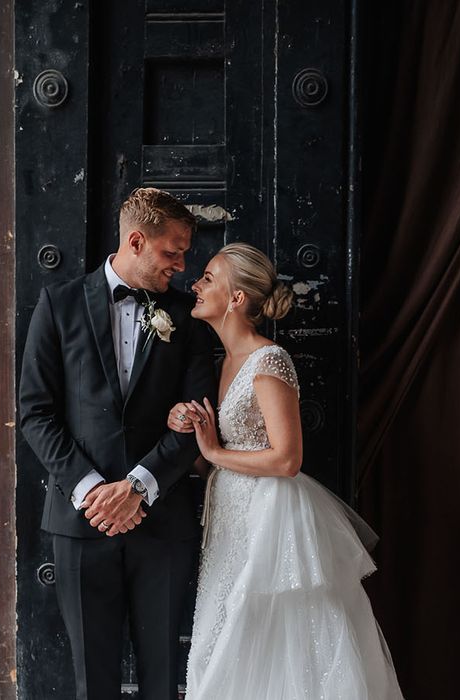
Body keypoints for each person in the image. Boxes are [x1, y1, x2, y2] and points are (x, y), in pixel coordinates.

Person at [168, 243, 404, 699]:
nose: (195, 284)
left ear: (237, 299)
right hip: (230, 519)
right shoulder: (224, 363)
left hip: (270, 521)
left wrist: (214, 453)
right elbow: (218, 454)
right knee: (221, 645)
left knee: (272, 643)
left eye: (209, 278)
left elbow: (286, 459)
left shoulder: (269, 361)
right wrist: (189, 429)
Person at [19, 187, 217, 700]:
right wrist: (93, 492)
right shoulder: (58, 305)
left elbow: (197, 418)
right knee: (94, 681)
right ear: (136, 241)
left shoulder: (187, 316)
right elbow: (35, 414)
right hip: (81, 525)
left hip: (163, 521)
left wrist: (138, 486)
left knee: (162, 679)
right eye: (172, 251)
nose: (182, 263)